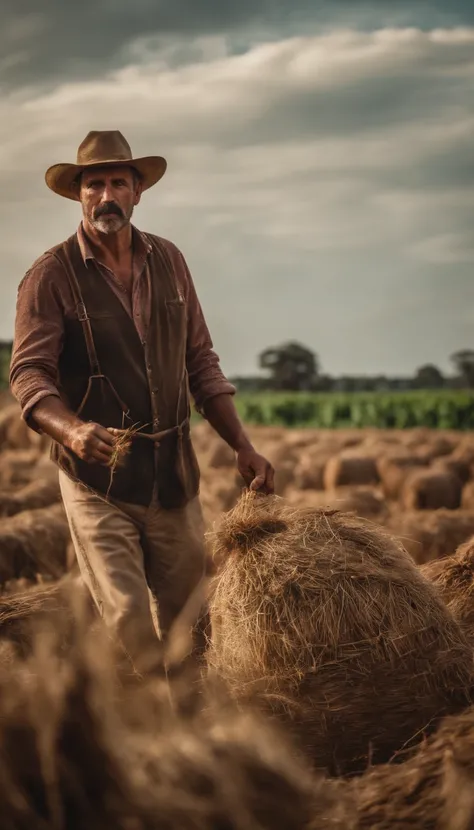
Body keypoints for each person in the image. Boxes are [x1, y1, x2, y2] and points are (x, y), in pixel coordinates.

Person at [9, 130, 274, 675]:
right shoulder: (50, 275)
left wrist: (242, 446)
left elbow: (200, 361)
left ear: (137, 192)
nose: (106, 195)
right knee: (130, 619)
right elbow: (29, 376)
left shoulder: (170, 261)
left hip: (173, 475)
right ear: (79, 195)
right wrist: (72, 431)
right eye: (95, 184)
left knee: (193, 630)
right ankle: (144, 734)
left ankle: (194, 740)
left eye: (118, 183)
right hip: (97, 480)